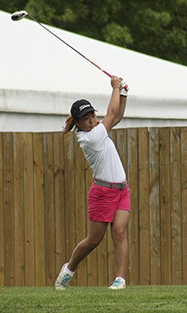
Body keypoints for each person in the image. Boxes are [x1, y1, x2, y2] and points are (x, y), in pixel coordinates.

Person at [55, 75, 130, 290]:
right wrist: (115, 87)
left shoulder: (97, 130)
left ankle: (120, 280)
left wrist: (123, 93)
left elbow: (117, 116)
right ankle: (69, 268)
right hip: (103, 194)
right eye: (86, 118)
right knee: (93, 240)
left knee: (120, 232)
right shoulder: (90, 138)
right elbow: (113, 114)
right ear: (77, 123)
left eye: (92, 115)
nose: (91, 120)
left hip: (122, 190)